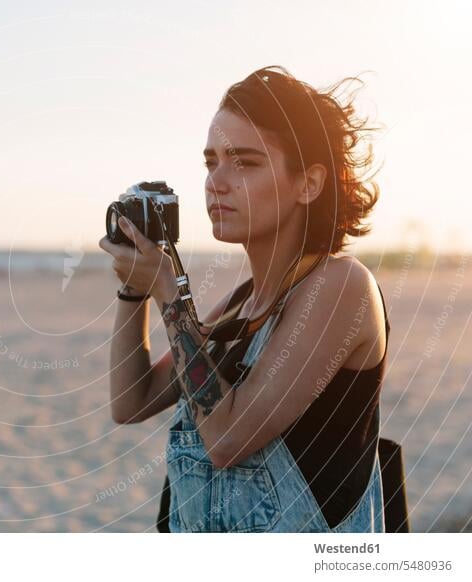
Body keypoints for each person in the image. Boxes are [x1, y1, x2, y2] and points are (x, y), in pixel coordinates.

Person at [98, 65, 389, 532]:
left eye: (245, 162)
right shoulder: (240, 305)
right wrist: (134, 289)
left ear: (308, 183)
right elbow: (130, 402)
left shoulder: (341, 288)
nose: (217, 181)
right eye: (211, 162)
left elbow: (227, 438)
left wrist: (169, 291)